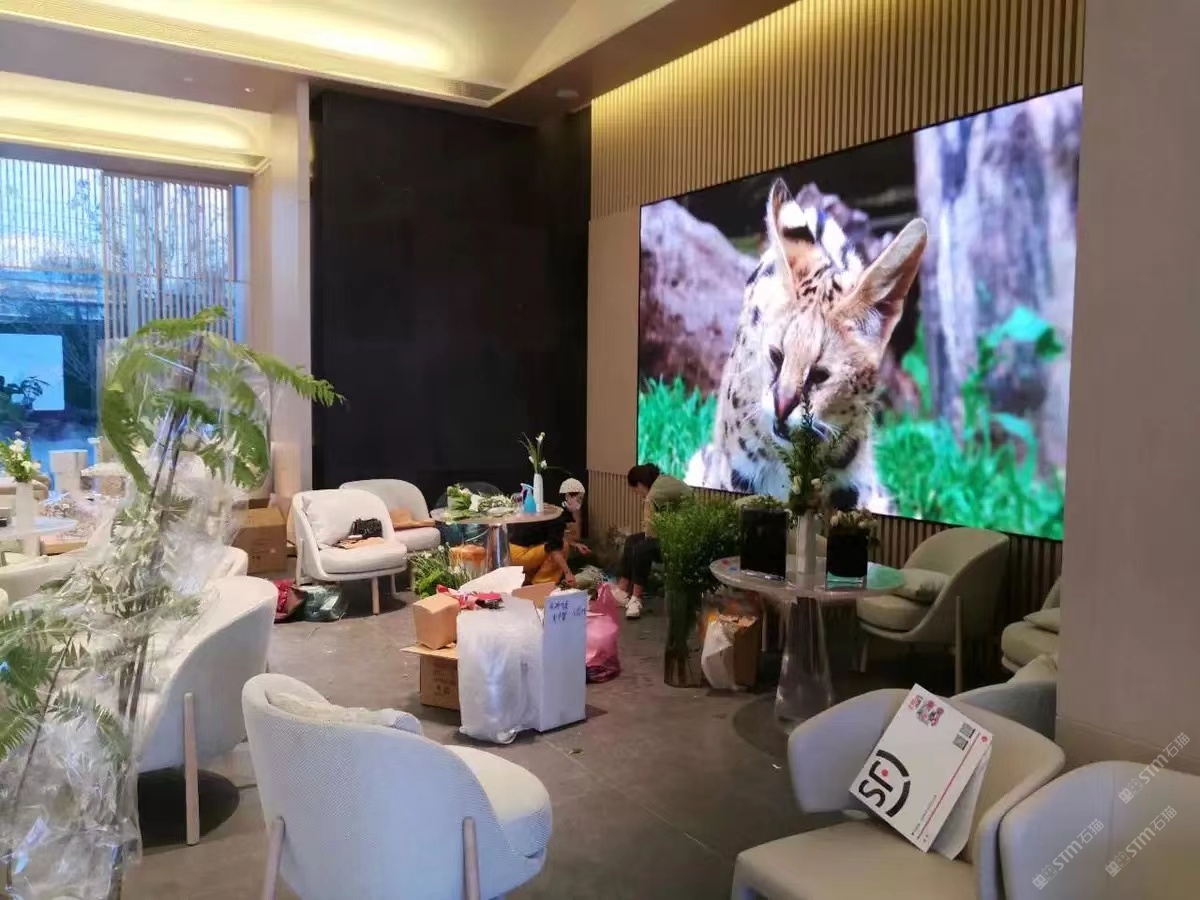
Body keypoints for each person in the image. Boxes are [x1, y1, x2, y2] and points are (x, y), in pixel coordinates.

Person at [615, 463, 691, 619]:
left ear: (640, 484)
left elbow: (650, 532)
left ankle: (636, 599)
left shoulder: (654, 494)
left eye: (635, 491)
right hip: (672, 532)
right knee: (631, 540)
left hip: (683, 540)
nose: (638, 495)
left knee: (642, 548)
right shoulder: (662, 483)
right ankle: (622, 590)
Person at [509, 478, 590, 587]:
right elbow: (554, 548)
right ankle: (541, 585)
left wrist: (575, 544)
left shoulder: (549, 509)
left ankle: (529, 580)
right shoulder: (557, 517)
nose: (580, 504)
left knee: (558, 544)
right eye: (579, 499)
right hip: (519, 556)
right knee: (562, 547)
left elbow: (553, 536)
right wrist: (568, 573)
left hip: (511, 553)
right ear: (568, 496)